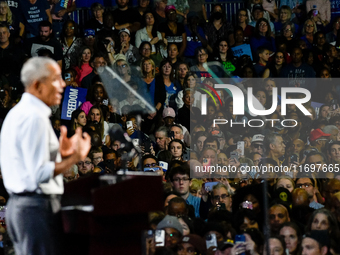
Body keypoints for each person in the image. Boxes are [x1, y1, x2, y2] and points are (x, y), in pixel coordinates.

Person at [0, 57, 91, 255]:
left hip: (22, 207)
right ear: (37, 85)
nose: (63, 84)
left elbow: (29, 164)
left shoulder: (17, 113)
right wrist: (76, 157)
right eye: (56, 79)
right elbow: (38, 174)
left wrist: (59, 154)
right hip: (35, 209)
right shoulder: (34, 118)